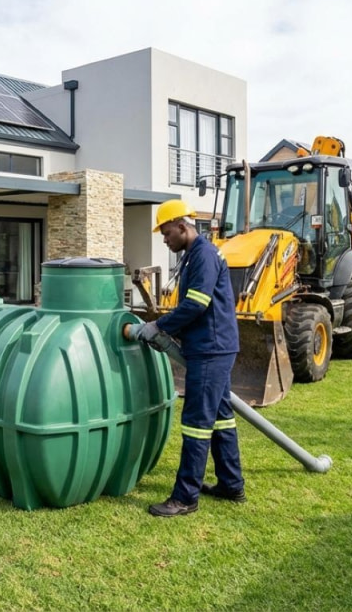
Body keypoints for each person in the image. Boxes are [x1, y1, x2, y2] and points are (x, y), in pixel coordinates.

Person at [135, 199, 243, 517]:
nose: (165, 240)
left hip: (210, 349)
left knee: (196, 424)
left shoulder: (204, 256)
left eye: (167, 233)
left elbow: (197, 305)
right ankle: (231, 485)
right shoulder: (194, 255)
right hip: (213, 346)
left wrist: (158, 326)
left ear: (183, 227)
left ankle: (185, 498)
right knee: (221, 418)